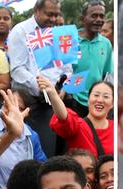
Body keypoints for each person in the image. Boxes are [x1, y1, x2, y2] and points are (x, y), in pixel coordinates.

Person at [8, 0, 66, 156]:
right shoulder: (20, 31)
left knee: (49, 151)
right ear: (37, 10)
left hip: (54, 103)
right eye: (49, 14)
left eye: (56, 14)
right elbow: (17, 69)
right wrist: (40, 85)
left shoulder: (59, 33)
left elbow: (66, 67)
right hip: (29, 102)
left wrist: (63, 88)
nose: (53, 19)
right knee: (28, 151)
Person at [40, 78, 114, 156]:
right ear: (88, 100)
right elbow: (64, 117)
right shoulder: (78, 125)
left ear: (112, 104)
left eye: (106, 97)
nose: (100, 100)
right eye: (96, 95)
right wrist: (53, 93)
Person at [68, 0, 112, 118]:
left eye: (101, 16)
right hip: (73, 102)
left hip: (97, 104)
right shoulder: (69, 40)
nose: (98, 19)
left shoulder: (106, 44)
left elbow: (106, 75)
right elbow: (63, 72)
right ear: (83, 18)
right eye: (94, 16)